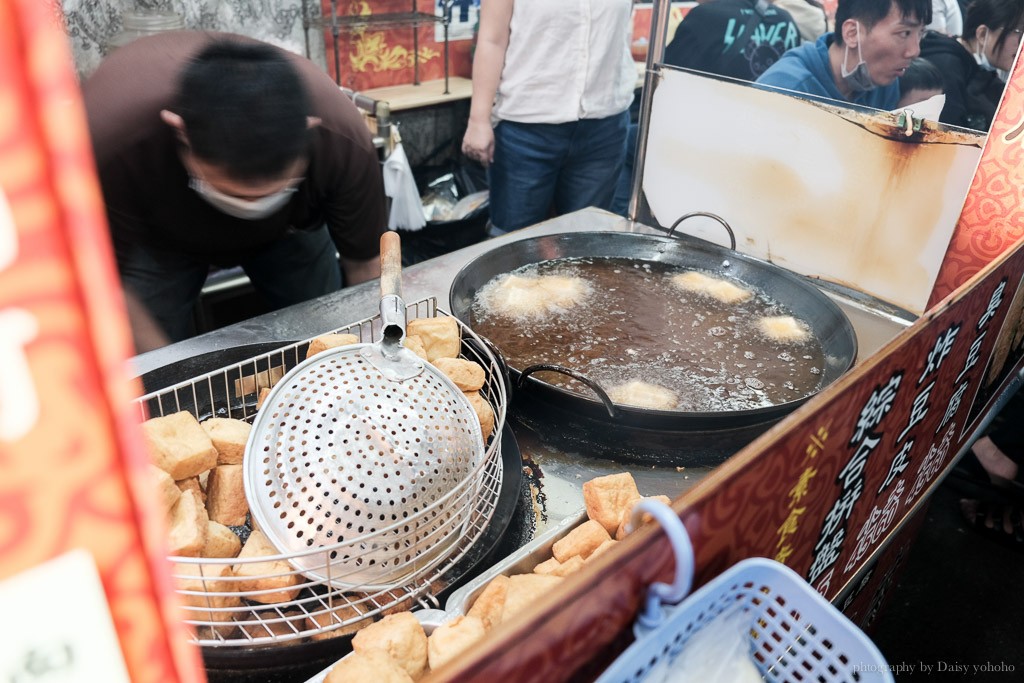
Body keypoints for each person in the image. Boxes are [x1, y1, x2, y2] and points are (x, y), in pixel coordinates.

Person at [84, 33, 387, 349]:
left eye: (273, 193)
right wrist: (170, 378)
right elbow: (108, 285)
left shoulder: (340, 137)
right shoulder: (110, 142)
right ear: (181, 131)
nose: (251, 207)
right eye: (232, 194)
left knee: (328, 327)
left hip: (289, 232)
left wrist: (363, 355)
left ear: (308, 132)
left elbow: (366, 266)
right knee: (151, 352)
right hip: (158, 238)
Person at [461, 0, 635, 235]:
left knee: (587, 238)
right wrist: (478, 119)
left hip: (604, 125)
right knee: (512, 242)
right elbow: (492, 40)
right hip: (526, 128)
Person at [755, 0, 932, 110]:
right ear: (852, 33)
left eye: (921, 33)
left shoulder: (885, 85)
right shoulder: (785, 90)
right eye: (905, 33)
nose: (915, 51)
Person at [919, 0, 1023, 130]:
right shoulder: (946, 67)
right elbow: (947, 134)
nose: (1021, 46)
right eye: (1019, 33)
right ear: (982, 34)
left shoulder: (981, 69)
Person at [663, 0, 801, 82]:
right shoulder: (786, 20)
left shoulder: (703, 18)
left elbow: (666, 79)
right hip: (771, 123)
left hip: (713, 123)